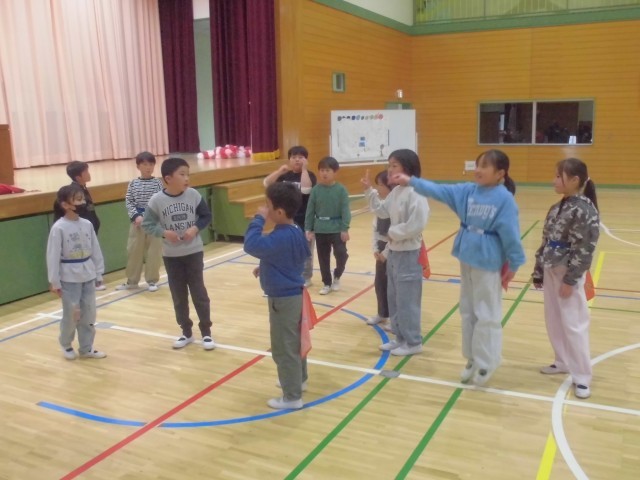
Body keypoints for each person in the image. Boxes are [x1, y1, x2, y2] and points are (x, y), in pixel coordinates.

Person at [392, 149, 525, 381]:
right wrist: (411, 181)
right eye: (477, 165)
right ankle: (471, 357)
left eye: (485, 166)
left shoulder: (504, 200)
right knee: (467, 311)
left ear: (500, 173)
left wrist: (514, 263)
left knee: (486, 313)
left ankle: (487, 362)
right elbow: (439, 190)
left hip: (488, 261)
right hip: (467, 256)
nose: (478, 170)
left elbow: (511, 235)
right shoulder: (468, 191)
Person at [532, 158, 600, 399]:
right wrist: (538, 270)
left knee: (574, 324)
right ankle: (562, 361)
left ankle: (582, 376)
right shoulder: (557, 207)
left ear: (574, 180)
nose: (554, 181)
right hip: (551, 269)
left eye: (559, 176)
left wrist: (571, 279)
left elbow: (585, 248)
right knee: (554, 319)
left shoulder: (584, 210)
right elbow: (546, 240)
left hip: (567, 273)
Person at [244, 182, 311, 410]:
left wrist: (258, 219)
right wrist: (267, 266)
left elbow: (251, 244)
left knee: (284, 348)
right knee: (294, 342)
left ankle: (292, 397)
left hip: (283, 300)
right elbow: (293, 256)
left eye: (268, 206)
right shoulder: (295, 230)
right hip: (294, 295)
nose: (265, 209)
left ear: (279, 212)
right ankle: (298, 380)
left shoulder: (280, 236)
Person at [141, 157, 215, 351]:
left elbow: (206, 216)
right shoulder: (157, 200)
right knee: (178, 295)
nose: (186, 178)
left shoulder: (193, 195)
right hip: (171, 256)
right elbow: (147, 224)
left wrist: (195, 228)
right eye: (182, 174)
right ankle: (186, 332)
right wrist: (164, 233)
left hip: (193, 252)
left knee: (199, 292)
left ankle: (206, 332)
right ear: (168, 178)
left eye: (188, 174)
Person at [362, 149, 430, 356]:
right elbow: (382, 211)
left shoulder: (417, 192)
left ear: (407, 167)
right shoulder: (397, 191)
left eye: (394, 165)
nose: (390, 170)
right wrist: (369, 191)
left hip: (409, 255)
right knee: (394, 298)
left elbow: (417, 224)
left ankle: (413, 342)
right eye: (389, 165)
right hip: (394, 253)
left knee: (407, 301)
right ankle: (400, 338)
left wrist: (393, 233)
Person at [47, 184, 107, 360]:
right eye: (78, 199)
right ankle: (66, 344)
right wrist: (54, 281)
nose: (82, 203)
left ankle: (86, 348)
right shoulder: (59, 228)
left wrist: (98, 272)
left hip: (87, 273)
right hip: (69, 277)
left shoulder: (87, 224)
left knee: (89, 313)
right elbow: (52, 256)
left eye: (83, 199)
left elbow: (95, 250)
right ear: (65, 204)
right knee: (72, 314)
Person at [263, 146, 317, 287]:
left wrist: (304, 169)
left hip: (304, 219)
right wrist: (279, 171)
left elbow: (306, 189)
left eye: (300, 157)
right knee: (285, 248)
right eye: (293, 157)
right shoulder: (284, 176)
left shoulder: (309, 175)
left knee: (305, 249)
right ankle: (288, 274)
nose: (297, 160)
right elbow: (267, 183)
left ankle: (306, 277)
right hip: (285, 220)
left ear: (306, 160)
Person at [115, 151, 165, 292]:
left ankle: (152, 280)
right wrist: (136, 216)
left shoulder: (157, 183)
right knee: (134, 251)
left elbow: (160, 201)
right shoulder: (133, 183)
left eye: (151, 164)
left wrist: (149, 217)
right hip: (137, 223)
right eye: (144, 164)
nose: (148, 167)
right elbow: (129, 202)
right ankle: (132, 281)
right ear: (138, 166)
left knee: (154, 252)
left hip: (154, 223)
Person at [304, 156, 351, 295]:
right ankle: (327, 283)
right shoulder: (316, 190)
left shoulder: (341, 190)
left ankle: (337, 274)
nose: (324, 173)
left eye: (328, 170)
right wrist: (308, 229)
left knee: (341, 254)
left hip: (337, 228)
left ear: (335, 172)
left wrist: (345, 228)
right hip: (320, 229)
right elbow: (310, 211)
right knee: (323, 258)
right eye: (322, 170)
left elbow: (345, 210)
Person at [67, 160, 105, 290]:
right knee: (87, 254)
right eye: (86, 172)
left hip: (91, 227)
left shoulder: (83, 188)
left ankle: (94, 278)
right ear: (78, 177)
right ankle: (91, 281)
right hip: (83, 230)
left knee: (93, 253)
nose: (89, 174)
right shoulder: (75, 191)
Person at [366, 170, 394, 332]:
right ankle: (382, 313)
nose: (378, 189)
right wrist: (376, 249)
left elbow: (396, 235)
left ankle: (395, 318)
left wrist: (386, 253)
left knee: (393, 285)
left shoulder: (395, 207)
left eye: (381, 185)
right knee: (380, 283)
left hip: (394, 249)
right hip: (381, 249)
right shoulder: (381, 208)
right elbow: (375, 230)